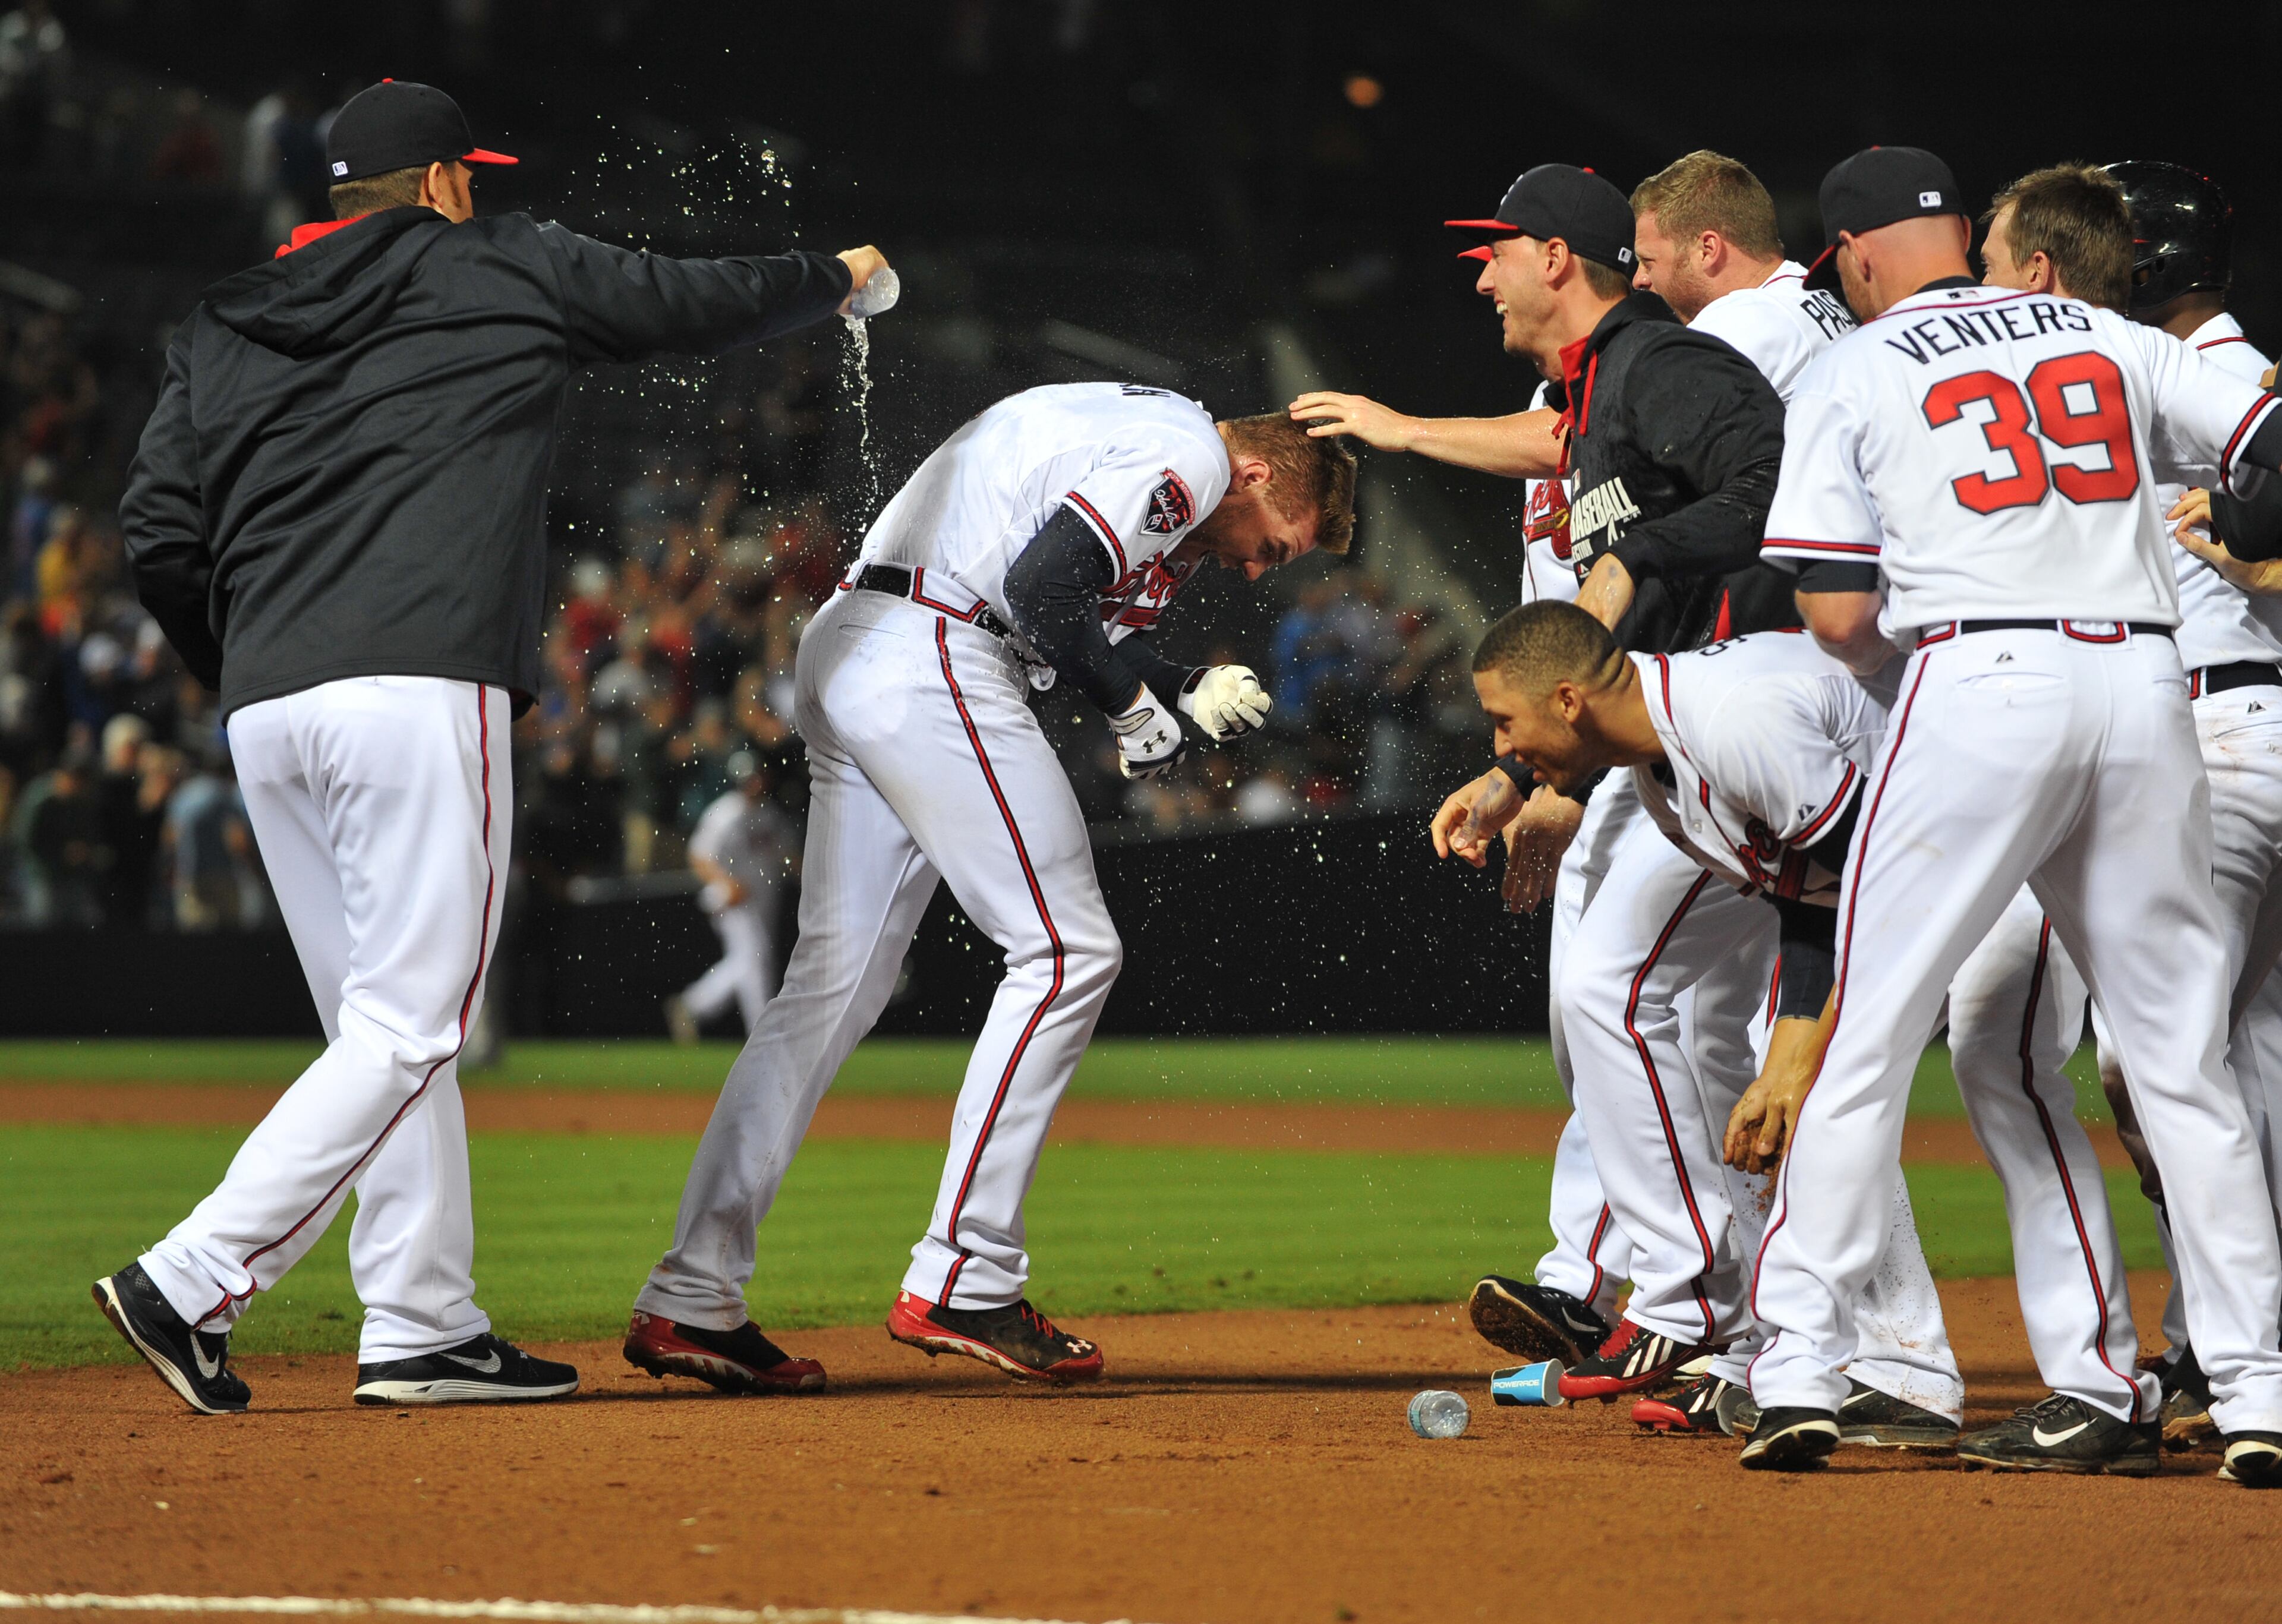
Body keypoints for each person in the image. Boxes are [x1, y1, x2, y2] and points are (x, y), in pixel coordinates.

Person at [104, 78, 884, 1415]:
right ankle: (193, 1274)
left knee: (381, 1028)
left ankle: (421, 1324)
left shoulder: (222, 319)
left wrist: (244, 669)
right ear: (447, 183)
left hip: (268, 704)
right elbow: (672, 301)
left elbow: (159, 534)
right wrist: (836, 275)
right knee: (417, 1025)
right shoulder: (497, 264)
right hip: (416, 680)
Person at [626, 384, 1354, 1392]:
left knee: (829, 989)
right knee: (1068, 951)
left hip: (862, 640)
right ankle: (966, 1274)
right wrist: (1131, 703)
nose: (1260, 564)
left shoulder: (1145, 428)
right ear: (1264, 473)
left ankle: (692, 1294)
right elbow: (1046, 588)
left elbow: (1069, 601)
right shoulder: (1191, 455)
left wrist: (1176, 686)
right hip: (934, 653)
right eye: (1279, 540)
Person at [1739, 144, 2282, 1486]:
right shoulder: (2109, 333)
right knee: (2180, 1061)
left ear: (1860, 254)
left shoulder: (1854, 365)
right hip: (2147, 689)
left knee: (1863, 1033)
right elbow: (2265, 444)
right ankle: (2261, 1385)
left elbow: (1838, 607)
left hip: (1981, 675)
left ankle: (1799, 1362)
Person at [2085, 161, 2282, 1447]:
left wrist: (2257, 548)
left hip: (2226, 725)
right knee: (2252, 1056)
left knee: (2148, 1050)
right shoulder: (2188, 374)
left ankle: (2222, 1348)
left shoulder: (2234, 385)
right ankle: (2215, 1338)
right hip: (2231, 720)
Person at [666, 750, 796, 1040]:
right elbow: (699, 856)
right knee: (755, 962)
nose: (754, 783)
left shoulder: (770, 814)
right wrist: (726, 884)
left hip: (764, 902)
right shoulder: (725, 812)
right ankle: (762, 1033)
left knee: (748, 962)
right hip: (734, 902)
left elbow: (788, 856)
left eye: (757, 777)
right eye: (748, 779)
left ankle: (693, 1004)